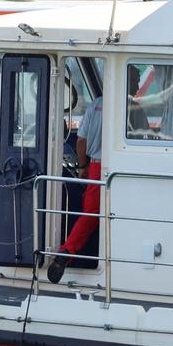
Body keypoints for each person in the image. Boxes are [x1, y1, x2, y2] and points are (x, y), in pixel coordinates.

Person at [46, 93, 102, 284]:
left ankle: (67, 251)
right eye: (134, 76)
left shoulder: (95, 105)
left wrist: (83, 167)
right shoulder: (128, 106)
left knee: (90, 215)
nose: (137, 83)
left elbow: (80, 141)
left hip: (94, 166)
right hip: (115, 167)